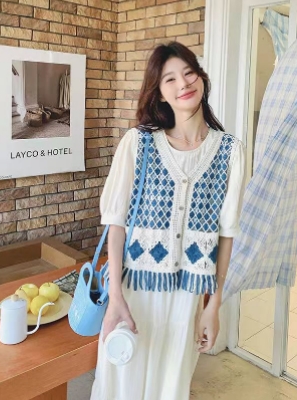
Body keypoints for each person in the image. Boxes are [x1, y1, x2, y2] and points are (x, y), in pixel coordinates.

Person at [90, 41, 246, 400]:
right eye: (170, 79)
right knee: (121, 384)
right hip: (134, 294)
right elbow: (116, 224)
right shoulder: (138, 143)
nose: (183, 84)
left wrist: (213, 306)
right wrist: (115, 298)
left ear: (202, 78)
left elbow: (227, 234)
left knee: (170, 388)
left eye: (189, 73)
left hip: (187, 299)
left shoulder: (230, 152)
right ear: (159, 93)